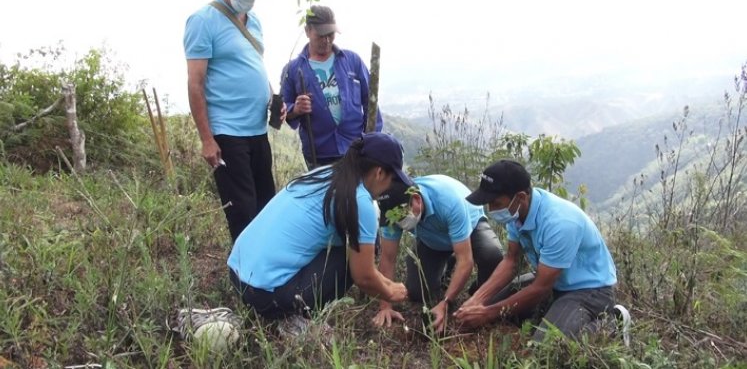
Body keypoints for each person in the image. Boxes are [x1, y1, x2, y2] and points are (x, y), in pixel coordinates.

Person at [228, 132, 411, 332]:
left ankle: (283, 305)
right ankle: (291, 319)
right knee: (352, 255)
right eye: (392, 178)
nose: (389, 186)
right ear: (379, 173)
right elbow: (364, 277)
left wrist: (386, 282)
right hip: (266, 295)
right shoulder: (359, 200)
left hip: (238, 276)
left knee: (351, 245)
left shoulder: (324, 174)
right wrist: (390, 293)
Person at [453, 159, 627, 342]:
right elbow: (511, 260)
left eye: (495, 203)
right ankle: (555, 310)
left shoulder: (561, 223)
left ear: (520, 197)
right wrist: (478, 300)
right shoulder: (517, 213)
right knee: (491, 307)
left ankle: (612, 322)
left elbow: (541, 287)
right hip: (554, 281)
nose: (491, 210)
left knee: (546, 347)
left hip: (589, 289)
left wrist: (487, 313)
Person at [184, 0, 285, 243]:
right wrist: (207, 139)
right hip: (228, 134)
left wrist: (271, 100)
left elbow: (253, 66)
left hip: (257, 130)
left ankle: (267, 278)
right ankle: (245, 282)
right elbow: (195, 84)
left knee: (267, 207)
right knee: (243, 213)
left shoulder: (255, 23)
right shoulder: (203, 21)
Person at [373, 175, 504, 334]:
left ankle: (478, 294)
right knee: (416, 292)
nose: (400, 222)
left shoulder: (448, 201)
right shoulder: (391, 214)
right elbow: (388, 258)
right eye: (395, 220)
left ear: (416, 200)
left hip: (470, 229)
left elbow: (465, 261)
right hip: (432, 241)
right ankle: (447, 262)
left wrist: (445, 302)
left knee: (491, 254)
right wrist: (385, 306)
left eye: (402, 217)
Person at [281, 5, 383, 169]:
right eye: (321, 35)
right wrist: (296, 109)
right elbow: (284, 109)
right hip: (318, 154)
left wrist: (371, 139)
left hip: (354, 149)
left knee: (356, 194)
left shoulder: (352, 60)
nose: (326, 40)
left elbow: (370, 101)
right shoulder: (293, 69)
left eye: (330, 34)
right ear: (307, 31)